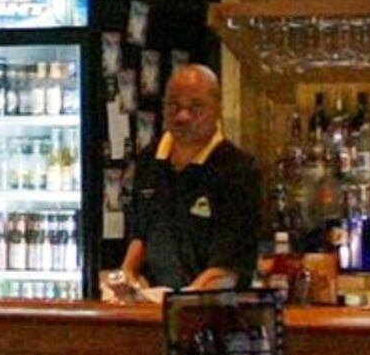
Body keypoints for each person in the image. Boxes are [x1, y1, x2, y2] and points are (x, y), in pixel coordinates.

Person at [110, 64, 262, 296]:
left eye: (196, 107)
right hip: (153, 308)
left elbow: (227, 270)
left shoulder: (238, 170)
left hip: (213, 309)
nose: (182, 116)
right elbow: (140, 236)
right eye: (173, 106)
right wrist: (128, 279)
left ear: (217, 109)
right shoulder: (148, 161)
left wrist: (180, 303)